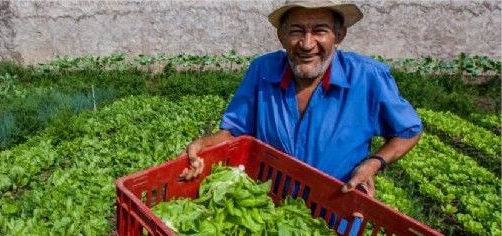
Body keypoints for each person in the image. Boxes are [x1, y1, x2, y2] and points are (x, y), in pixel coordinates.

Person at [179, 0, 422, 198]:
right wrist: (206, 143)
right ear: (281, 36)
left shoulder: (367, 77)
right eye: (296, 31)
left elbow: (408, 130)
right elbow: (235, 132)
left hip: (336, 208)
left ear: (339, 35)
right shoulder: (262, 71)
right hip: (265, 205)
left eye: (320, 31)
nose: (307, 44)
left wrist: (375, 162)